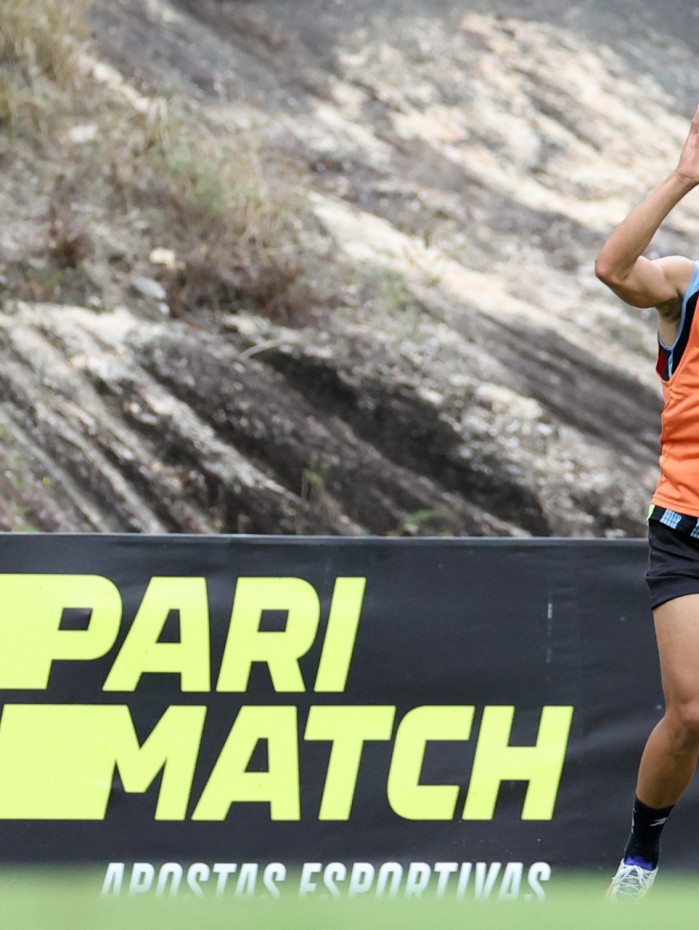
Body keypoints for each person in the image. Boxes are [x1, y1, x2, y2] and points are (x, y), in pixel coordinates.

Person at [595, 103, 699, 898]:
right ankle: (638, 857)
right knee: (691, 712)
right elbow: (611, 269)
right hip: (685, 529)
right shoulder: (684, 286)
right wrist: (680, 177)